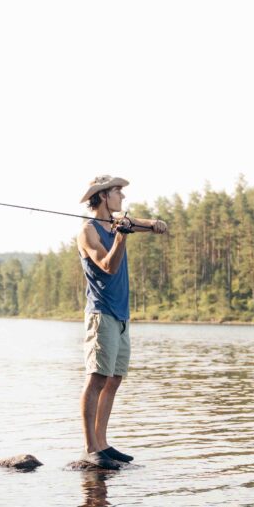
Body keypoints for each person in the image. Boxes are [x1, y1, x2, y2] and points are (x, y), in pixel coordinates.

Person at [77, 175, 167, 469]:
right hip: (101, 313)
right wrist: (121, 237)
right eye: (118, 192)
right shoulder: (88, 232)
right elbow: (107, 266)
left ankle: (102, 443)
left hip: (121, 315)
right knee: (97, 378)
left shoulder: (117, 223)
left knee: (114, 379)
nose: (122, 197)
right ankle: (91, 447)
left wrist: (153, 224)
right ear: (103, 196)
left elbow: (138, 222)